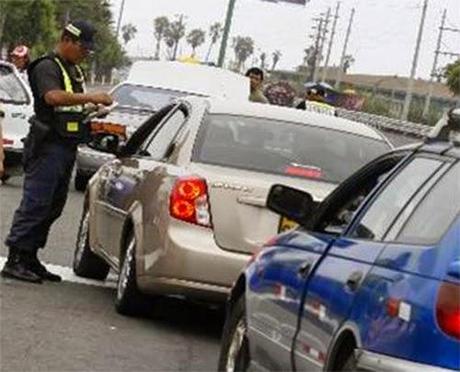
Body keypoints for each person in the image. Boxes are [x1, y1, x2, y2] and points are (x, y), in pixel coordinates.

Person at [1, 20, 113, 284]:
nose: (85, 53)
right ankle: (16, 257)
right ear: (68, 40)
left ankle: (30, 256)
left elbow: (69, 106)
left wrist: (91, 111)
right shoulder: (47, 66)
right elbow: (52, 97)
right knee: (36, 203)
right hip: (47, 146)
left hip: (65, 145)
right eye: (83, 48)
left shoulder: (72, 70)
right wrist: (92, 98)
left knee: (54, 205)